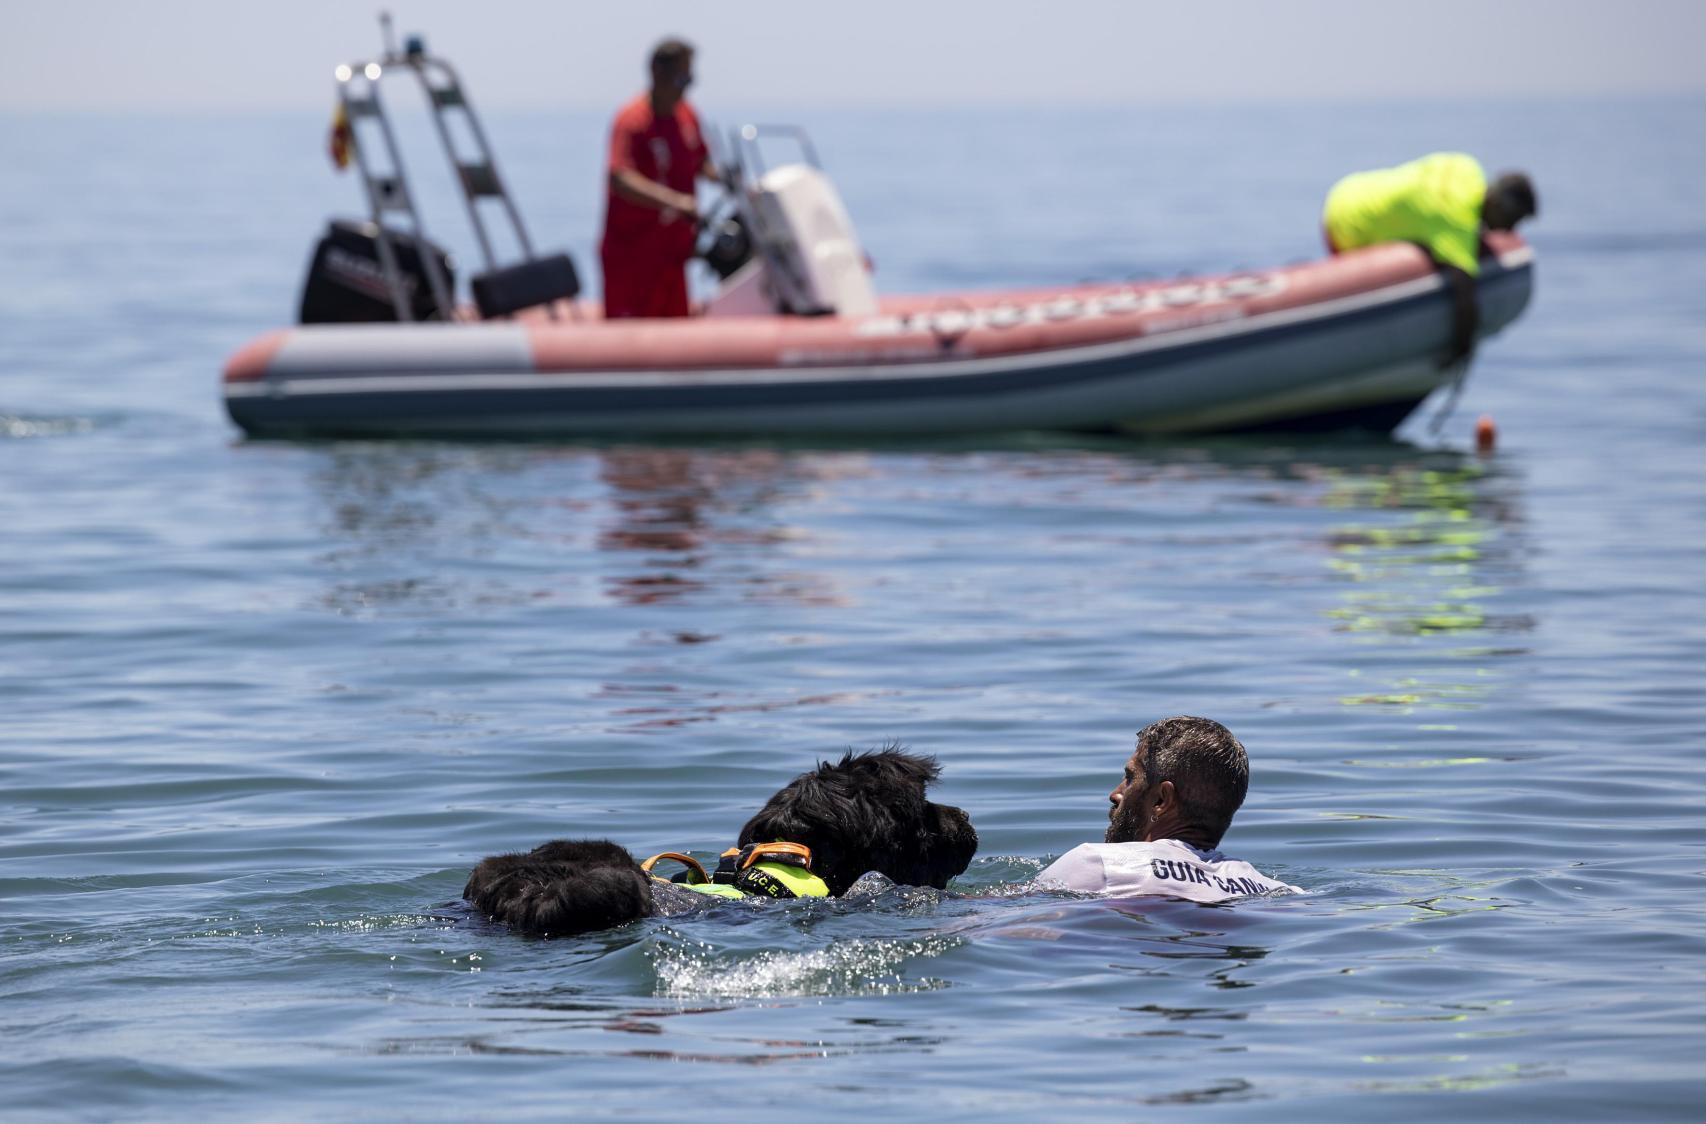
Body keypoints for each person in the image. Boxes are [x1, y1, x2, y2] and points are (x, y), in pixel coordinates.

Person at [1036, 717, 1299, 902]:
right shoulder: (1275, 889)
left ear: (1162, 800)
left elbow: (1008, 927)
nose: (1116, 794)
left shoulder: (1099, 863)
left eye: (1130, 778)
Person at [1322, 153, 1537, 367]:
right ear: (1499, 204)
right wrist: (1463, 348)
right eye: (1512, 221)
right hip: (1345, 224)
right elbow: (1464, 291)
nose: (1508, 231)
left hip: (1353, 188)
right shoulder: (1455, 222)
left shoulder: (1468, 168)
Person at [599, 38, 718, 320]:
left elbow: (701, 162)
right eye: (680, 78)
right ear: (656, 72)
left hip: (673, 258)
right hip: (633, 258)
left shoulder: (687, 116)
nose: (685, 88)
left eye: (689, 78)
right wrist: (675, 202)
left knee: (677, 335)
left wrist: (730, 181)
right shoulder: (632, 120)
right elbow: (619, 177)